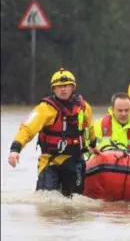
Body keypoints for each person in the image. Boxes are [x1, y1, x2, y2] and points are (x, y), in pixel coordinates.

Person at [7, 68, 100, 197]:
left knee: (75, 203)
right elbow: (27, 128)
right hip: (51, 162)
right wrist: (15, 149)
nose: (63, 89)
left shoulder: (84, 107)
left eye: (66, 85)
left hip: (75, 161)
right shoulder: (45, 109)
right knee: (47, 201)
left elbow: (89, 128)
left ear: (73, 87)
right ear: (53, 89)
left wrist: (94, 145)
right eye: (59, 86)